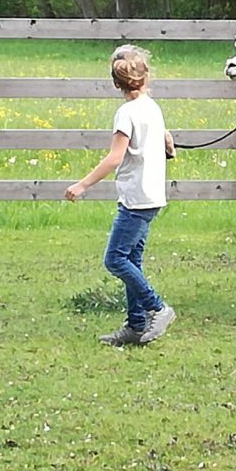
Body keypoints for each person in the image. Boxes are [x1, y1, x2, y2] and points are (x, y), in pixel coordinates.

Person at [65, 45, 177, 346]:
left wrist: (83, 185)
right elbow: (166, 138)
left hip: (136, 199)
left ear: (116, 83)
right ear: (146, 77)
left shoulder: (126, 113)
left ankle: (158, 307)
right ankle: (135, 325)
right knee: (132, 259)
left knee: (115, 259)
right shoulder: (152, 107)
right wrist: (169, 148)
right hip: (151, 194)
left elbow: (115, 157)